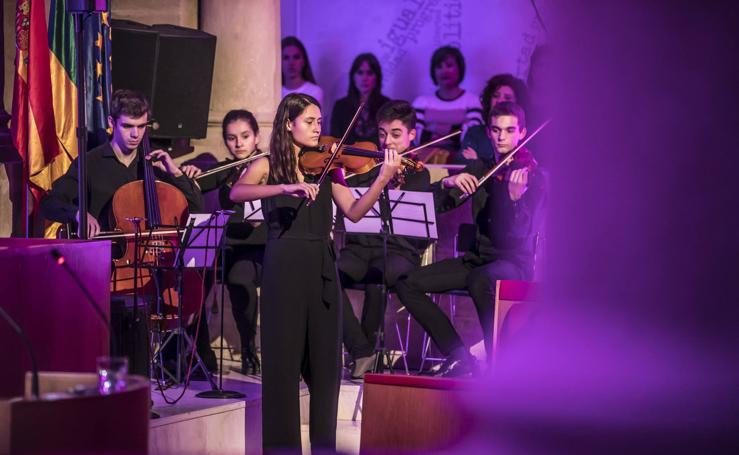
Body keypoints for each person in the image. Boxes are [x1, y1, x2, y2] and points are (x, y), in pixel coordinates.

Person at [229, 93, 400, 451]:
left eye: (319, 121)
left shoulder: (329, 166)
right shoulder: (268, 163)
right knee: (282, 368)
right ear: (288, 124)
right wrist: (286, 186)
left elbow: (353, 212)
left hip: (322, 266)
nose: (318, 128)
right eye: (310, 121)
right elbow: (236, 193)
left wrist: (381, 179)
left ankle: (325, 447)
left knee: (326, 369)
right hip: (283, 268)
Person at [394, 102, 546, 376]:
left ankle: (499, 365)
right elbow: (439, 205)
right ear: (488, 132)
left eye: (510, 130)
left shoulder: (531, 177)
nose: (502, 137)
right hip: (477, 260)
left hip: (513, 263)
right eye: (497, 130)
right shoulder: (480, 168)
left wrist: (514, 201)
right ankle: (459, 355)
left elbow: (522, 234)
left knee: (481, 280)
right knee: (408, 283)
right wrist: (447, 183)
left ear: (522, 133)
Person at [337, 100, 431, 379]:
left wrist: (392, 180)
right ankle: (361, 349)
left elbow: (409, 225)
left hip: (398, 251)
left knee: (380, 276)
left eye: (395, 134)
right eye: (382, 134)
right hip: (360, 247)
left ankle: (369, 357)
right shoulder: (366, 167)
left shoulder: (418, 172)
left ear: (412, 135)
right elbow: (349, 200)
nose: (387, 142)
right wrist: (376, 176)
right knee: (326, 275)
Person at [180, 109, 267, 375]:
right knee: (192, 282)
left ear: (256, 137)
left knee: (239, 277)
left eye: (245, 136)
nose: (239, 144)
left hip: (258, 248)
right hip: (225, 246)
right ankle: (202, 356)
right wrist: (186, 171)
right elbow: (194, 184)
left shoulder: (267, 166)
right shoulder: (224, 170)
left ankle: (249, 348)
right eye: (231, 138)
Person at [412, 46, 483, 162]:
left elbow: (471, 136)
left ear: (460, 69)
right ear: (433, 72)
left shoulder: (472, 101)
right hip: (424, 164)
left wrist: (433, 130)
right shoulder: (420, 102)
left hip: (461, 163)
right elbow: (414, 136)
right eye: (439, 67)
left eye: (449, 65)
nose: (444, 71)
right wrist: (455, 131)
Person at [459, 73, 529, 163]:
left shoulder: (524, 134)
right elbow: (462, 161)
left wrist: (477, 160)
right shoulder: (475, 133)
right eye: (496, 96)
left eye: (507, 98)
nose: (499, 101)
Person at [330, 53, 390, 146]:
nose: (364, 78)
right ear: (353, 77)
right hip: (346, 159)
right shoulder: (341, 106)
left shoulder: (386, 105)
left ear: (377, 77)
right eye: (360, 72)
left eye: (369, 73)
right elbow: (334, 140)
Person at [281, 36, 324, 107]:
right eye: (286, 58)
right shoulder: (274, 93)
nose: (291, 62)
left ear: (304, 61)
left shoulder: (315, 92)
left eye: (296, 57)